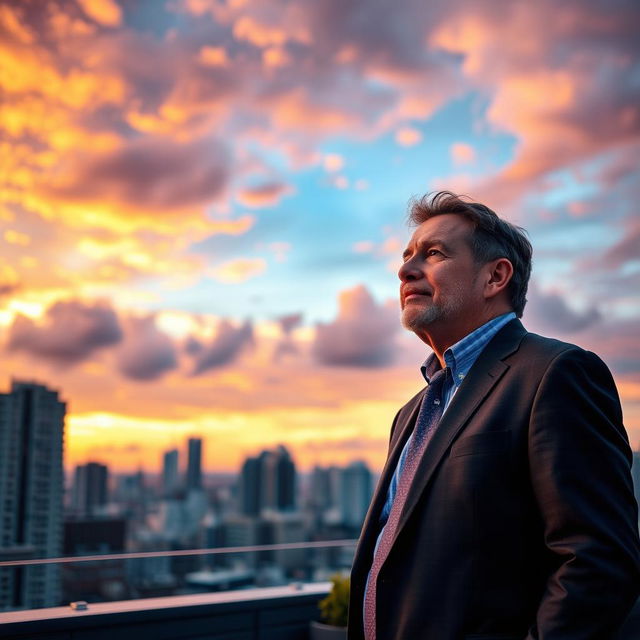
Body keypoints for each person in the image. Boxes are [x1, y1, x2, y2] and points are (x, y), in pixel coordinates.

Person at [348, 191, 640, 640]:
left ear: (495, 277)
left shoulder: (554, 374)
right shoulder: (411, 414)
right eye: (407, 257)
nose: (405, 270)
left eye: (434, 254)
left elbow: (597, 561)